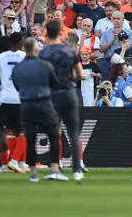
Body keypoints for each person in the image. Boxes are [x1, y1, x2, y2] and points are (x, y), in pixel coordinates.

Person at [12, 37, 65, 183]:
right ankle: (54, 169)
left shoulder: (18, 67)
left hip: (26, 105)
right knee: (54, 135)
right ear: (36, 49)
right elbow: (55, 84)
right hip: (44, 103)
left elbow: (16, 86)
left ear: (24, 49)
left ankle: (33, 173)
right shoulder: (45, 65)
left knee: (30, 139)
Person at [39, 20, 84, 182]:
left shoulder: (43, 53)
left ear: (46, 32)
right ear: (60, 32)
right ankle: (77, 170)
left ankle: (54, 168)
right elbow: (80, 74)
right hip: (69, 93)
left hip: (52, 95)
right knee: (73, 133)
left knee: (53, 133)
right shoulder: (70, 51)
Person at [0, 33, 26, 174]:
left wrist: (4, 82)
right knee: (23, 130)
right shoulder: (24, 56)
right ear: (21, 41)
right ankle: (16, 161)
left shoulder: (1, 57)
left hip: (4, 97)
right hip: (19, 97)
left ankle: (15, 163)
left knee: (9, 131)